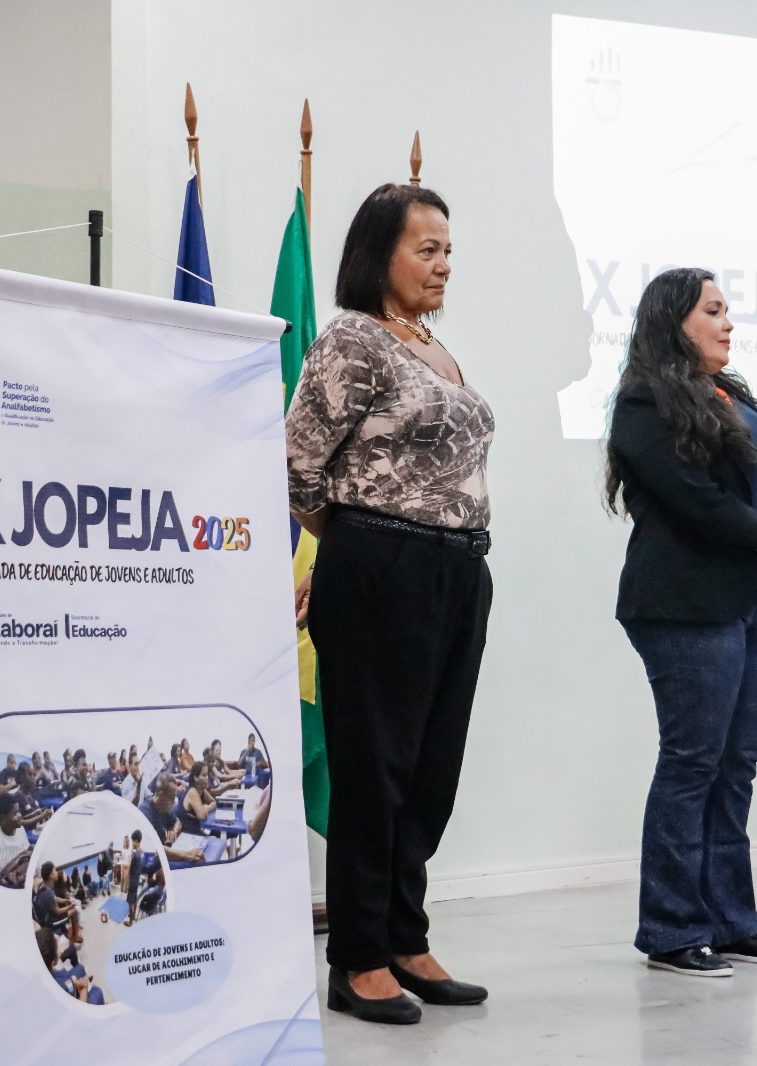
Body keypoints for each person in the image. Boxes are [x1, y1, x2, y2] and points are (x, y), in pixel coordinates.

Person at [285, 182, 494, 1024]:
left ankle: (407, 937)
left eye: (448, 251)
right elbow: (299, 463)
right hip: (382, 564)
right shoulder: (353, 340)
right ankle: (359, 956)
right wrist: (354, 547)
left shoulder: (433, 346)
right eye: (426, 249)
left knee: (431, 769)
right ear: (381, 254)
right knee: (375, 767)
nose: (443, 265)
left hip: (459, 571)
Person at [605, 267, 757, 979]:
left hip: (751, 599)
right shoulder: (644, 400)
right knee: (693, 762)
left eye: (727, 309)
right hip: (685, 603)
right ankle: (672, 930)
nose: (728, 322)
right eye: (713, 310)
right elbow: (695, 499)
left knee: (736, 766)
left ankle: (732, 921)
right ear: (674, 321)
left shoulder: (735, 394)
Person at [136, 773, 205, 865]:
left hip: (166, 853)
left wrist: (174, 831)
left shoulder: (163, 806)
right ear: (160, 794)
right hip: (153, 861)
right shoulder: (145, 812)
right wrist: (186, 854)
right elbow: (154, 847)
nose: (173, 802)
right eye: (172, 797)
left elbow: (178, 822)